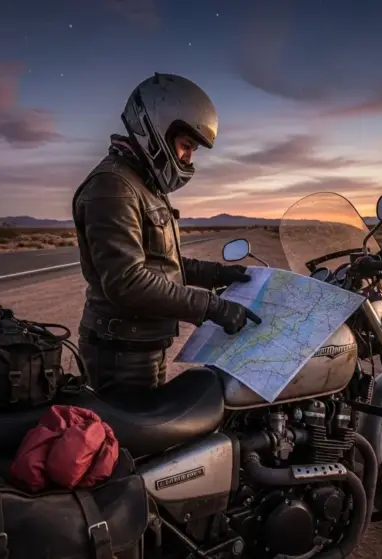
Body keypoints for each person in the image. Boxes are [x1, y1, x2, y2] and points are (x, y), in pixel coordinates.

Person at [71, 73, 261, 404]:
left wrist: (217, 274)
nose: (188, 158)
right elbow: (128, 282)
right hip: (121, 356)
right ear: (157, 130)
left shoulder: (142, 184)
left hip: (140, 346)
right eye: (186, 146)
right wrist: (212, 306)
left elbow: (159, 264)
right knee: (135, 437)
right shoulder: (113, 188)